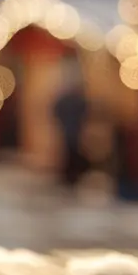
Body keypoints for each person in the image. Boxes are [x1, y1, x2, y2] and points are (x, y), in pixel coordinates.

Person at [52, 59, 89, 190]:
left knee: (72, 153)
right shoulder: (69, 99)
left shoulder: (77, 99)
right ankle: (68, 178)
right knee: (67, 153)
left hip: (74, 131)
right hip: (69, 130)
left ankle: (72, 178)